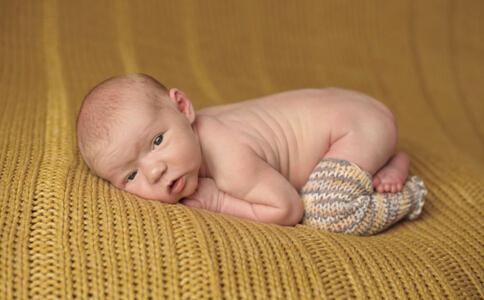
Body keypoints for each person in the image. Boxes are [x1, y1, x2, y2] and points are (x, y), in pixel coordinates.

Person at [76, 73, 426, 235]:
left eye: (155, 142)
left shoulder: (230, 160)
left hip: (355, 126)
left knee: (327, 209)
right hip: (344, 105)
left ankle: (406, 190)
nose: (153, 171)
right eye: (130, 175)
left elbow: (289, 208)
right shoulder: (187, 134)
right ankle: (383, 161)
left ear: (183, 108)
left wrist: (219, 202)